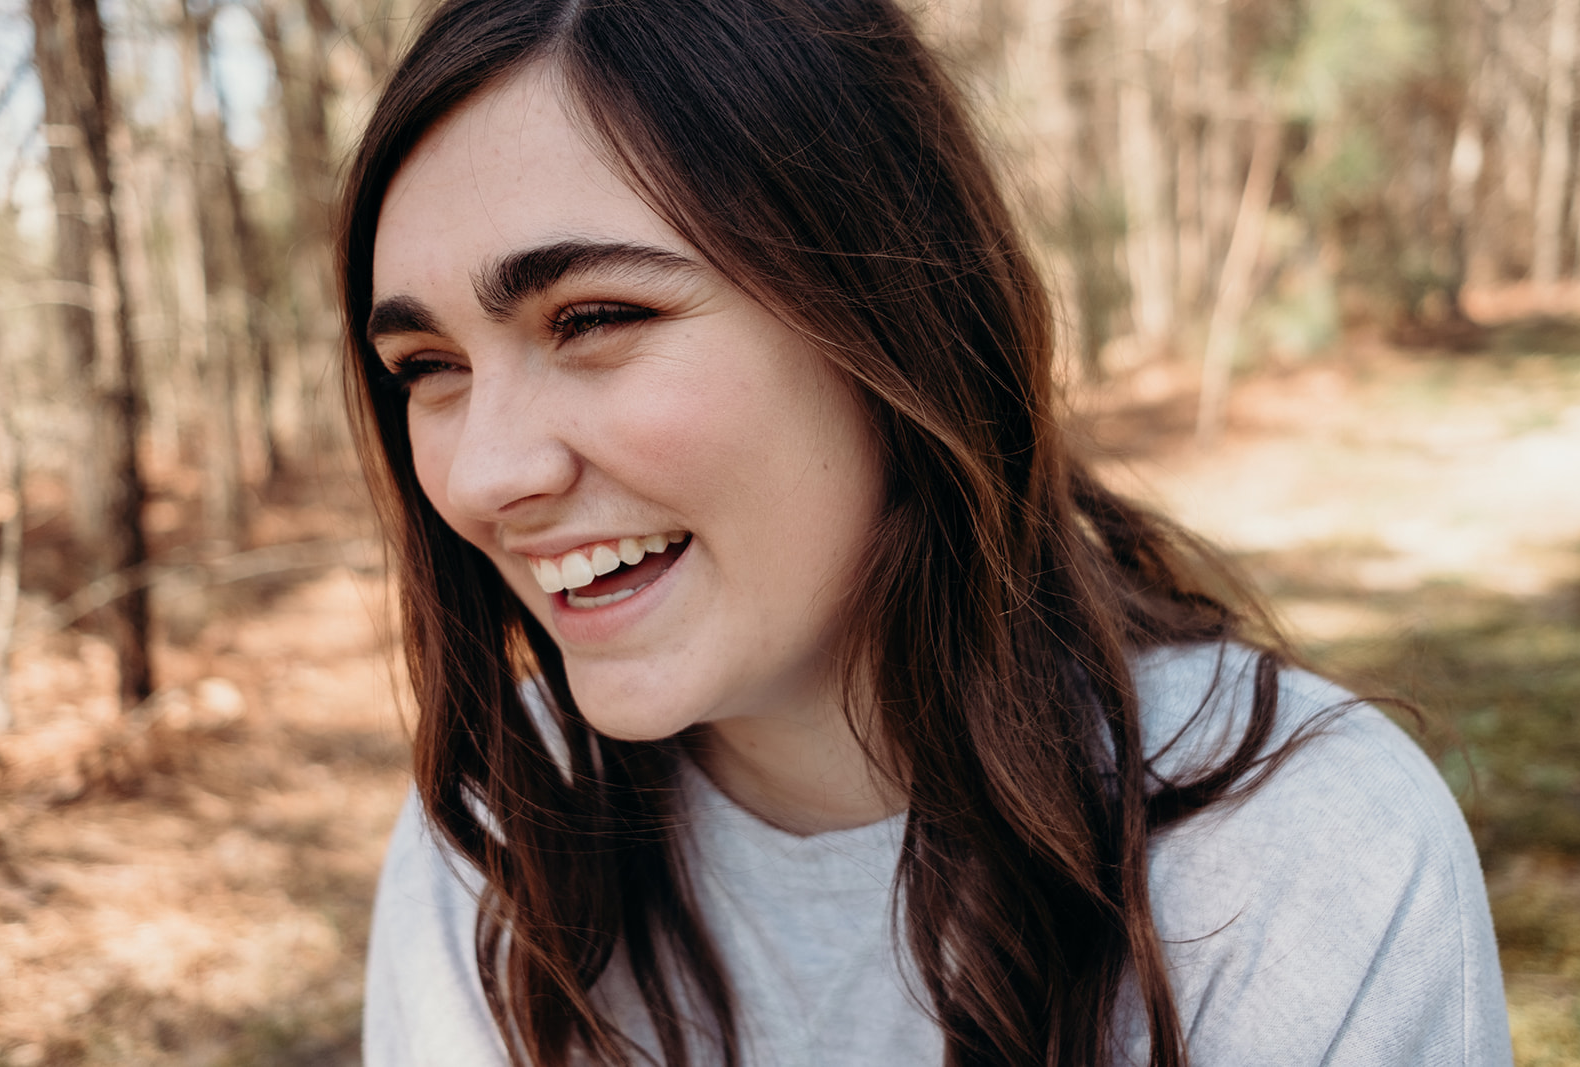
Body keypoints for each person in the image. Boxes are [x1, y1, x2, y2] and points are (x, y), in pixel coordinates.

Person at [339, 1, 1512, 1064]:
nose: (487, 474)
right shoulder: (499, 834)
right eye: (427, 366)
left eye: (595, 316)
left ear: (893, 326)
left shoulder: (1297, 861)